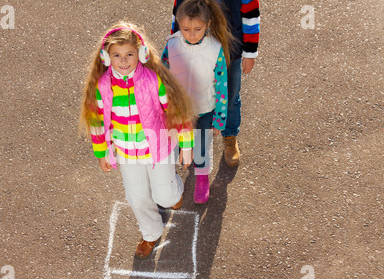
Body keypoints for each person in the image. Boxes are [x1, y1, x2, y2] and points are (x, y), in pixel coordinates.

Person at [79, 22, 195, 259]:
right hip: (127, 152)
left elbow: (176, 112)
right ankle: (150, 233)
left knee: (164, 196)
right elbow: (97, 122)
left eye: (129, 54)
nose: (123, 61)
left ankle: (174, 191)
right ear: (106, 57)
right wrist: (102, 153)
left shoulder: (153, 80)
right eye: (117, 55)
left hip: (158, 149)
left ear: (141, 54)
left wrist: (187, 144)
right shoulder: (102, 87)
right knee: (137, 196)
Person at [171, 0, 260, 167]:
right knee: (194, 95)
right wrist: (176, 43)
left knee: (230, 97)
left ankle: (230, 135)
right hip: (193, 49)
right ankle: (193, 139)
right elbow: (179, 11)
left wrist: (250, 52)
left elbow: (251, 14)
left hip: (229, 49)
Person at [162, 0, 234, 204]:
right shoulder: (172, 44)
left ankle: (202, 177)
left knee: (202, 147)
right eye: (185, 29)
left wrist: (220, 119)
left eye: (197, 29)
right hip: (178, 111)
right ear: (178, 24)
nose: (191, 34)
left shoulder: (215, 48)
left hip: (204, 110)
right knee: (175, 147)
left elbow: (221, 86)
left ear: (208, 24)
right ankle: (170, 181)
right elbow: (162, 74)